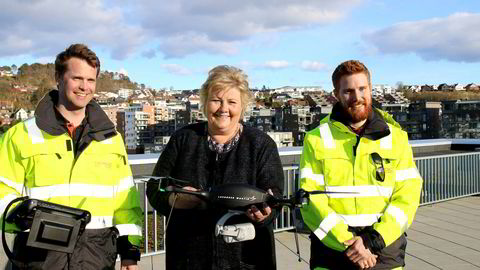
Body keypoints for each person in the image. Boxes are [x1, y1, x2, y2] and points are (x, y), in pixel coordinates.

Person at [0, 44, 143, 270]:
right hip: (39, 258)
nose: (84, 87)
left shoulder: (111, 139)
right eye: (77, 78)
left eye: (91, 80)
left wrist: (129, 253)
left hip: (95, 257)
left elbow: (126, 203)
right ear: (58, 77)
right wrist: (21, 216)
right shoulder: (20, 135)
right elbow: (2, 191)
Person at [146, 65, 284, 270]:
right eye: (216, 100)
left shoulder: (261, 144)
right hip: (189, 258)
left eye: (231, 102)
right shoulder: (183, 140)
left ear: (243, 107)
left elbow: (275, 196)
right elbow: (155, 188)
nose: (223, 108)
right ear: (204, 103)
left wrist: (266, 212)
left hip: (247, 259)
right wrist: (178, 201)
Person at [299, 60, 423, 270]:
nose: (357, 97)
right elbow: (310, 201)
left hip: (383, 254)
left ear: (371, 89)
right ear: (336, 94)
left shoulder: (397, 138)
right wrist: (350, 244)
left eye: (362, 89)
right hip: (332, 255)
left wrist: (371, 241)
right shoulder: (315, 139)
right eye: (348, 91)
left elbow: (407, 198)